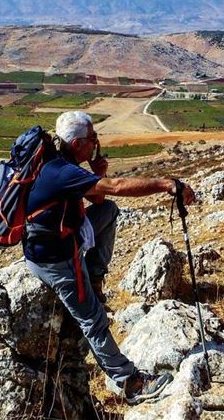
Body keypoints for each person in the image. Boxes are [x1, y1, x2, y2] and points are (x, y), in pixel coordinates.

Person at [23, 110, 197, 405]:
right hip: (56, 260)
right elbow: (115, 188)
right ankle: (130, 382)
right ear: (77, 143)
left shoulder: (61, 161)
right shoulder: (61, 171)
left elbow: (99, 200)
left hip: (57, 241)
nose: (96, 143)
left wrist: (96, 171)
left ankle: (94, 278)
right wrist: (166, 184)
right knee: (93, 320)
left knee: (108, 212)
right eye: (92, 139)